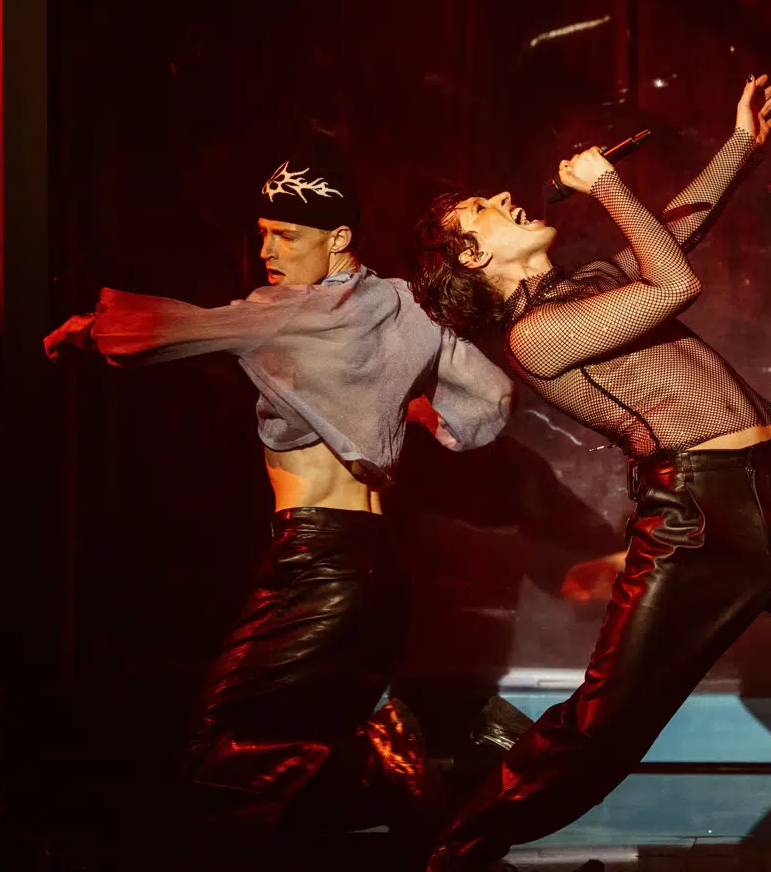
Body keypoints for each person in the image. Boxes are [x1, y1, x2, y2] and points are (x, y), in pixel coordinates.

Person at [409, 75, 771, 871]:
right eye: (482, 209)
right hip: (698, 525)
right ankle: (455, 848)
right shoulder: (536, 336)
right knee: (604, 725)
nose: (504, 199)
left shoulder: (584, 286)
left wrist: (742, 144)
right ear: (474, 257)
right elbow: (675, 284)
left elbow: (677, 235)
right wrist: (606, 184)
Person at [43, 148, 515, 842]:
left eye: (287, 235)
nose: (268, 250)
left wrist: (86, 329)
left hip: (317, 564)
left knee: (208, 757)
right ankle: (428, 757)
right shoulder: (406, 305)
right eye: (264, 232)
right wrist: (409, 408)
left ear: (339, 237)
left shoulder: (280, 312)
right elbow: (491, 397)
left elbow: (177, 328)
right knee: (295, 748)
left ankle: (392, 756)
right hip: (379, 570)